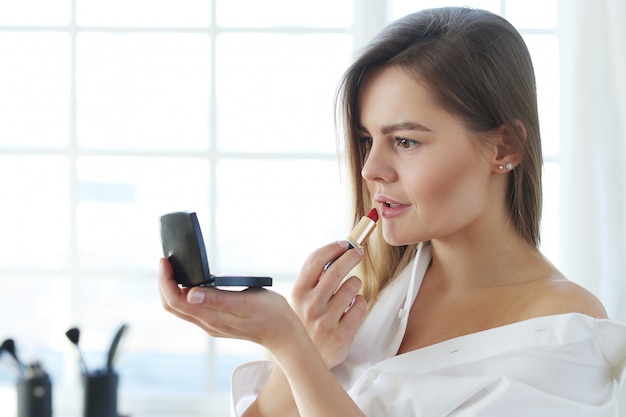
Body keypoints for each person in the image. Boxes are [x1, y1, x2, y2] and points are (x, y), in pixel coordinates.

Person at [159, 7, 626, 417]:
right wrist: (308, 345)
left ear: (504, 146)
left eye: (405, 141)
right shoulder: (373, 296)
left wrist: (290, 343)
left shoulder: (564, 331)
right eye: (367, 140)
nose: (370, 170)